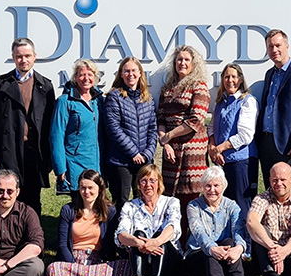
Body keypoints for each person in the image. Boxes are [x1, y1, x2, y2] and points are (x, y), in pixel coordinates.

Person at [0, 37, 55, 217]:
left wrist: (49, 155)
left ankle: (32, 230)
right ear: (13, 57)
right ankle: (7, 230)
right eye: (19, 56)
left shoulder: (45, 85)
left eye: (27, 56)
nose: (23, 60)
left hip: (34, 150)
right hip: (9, 148)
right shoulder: (2, 83)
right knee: (8, 192)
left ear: (34, 57)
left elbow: (50, 124)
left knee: (33, 195)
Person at [47, 170, 131, 276]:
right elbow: (62, 244)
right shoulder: (68, 210)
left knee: (126, 267)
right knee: (54, 268)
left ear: (100, 188)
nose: (86, 192)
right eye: (83, 188)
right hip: (73, 262)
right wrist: (74, 264)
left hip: (98, 263)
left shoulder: (110, 211)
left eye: (90, 188)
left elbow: (112, 243)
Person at [158, 45, 210, 249]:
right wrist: (165, 142)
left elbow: (196, 120)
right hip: (171, 152)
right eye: (179, 59)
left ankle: (192, 246)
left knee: (190, 199)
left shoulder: (199, 86)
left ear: (193, 63)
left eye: (187, 59)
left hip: (192, 152)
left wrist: (169, 136)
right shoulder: (167, 88)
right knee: (171, 200)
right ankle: (174, 245)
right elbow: (160, 117)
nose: (182, 63)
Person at [115, 164, 182, 276]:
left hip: (167, 259)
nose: (148, 185)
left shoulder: (171, 202)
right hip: (141, 260)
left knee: (160, 235)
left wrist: (155, 242)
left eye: (152, 180)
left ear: (159, 183)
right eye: (143, 181)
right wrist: (139, 243)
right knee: (138, 235)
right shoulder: (130, 206)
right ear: (139, 185)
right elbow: (120, 234)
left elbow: (174, 227)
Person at [256, 29, 291, 194]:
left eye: (278, 45)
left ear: (287, 46)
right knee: (271, 189)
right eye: (270, 47)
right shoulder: (270, 74)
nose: (274, 50)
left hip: (289, 144)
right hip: (267, 141)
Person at [208, 63, 258, 245]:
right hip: (222, 162)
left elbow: (245, 135)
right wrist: (213, 148)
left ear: (241, 79)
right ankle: (229, 243)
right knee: (225, 204)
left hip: (241, 162)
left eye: (234, 77)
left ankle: (247, 247)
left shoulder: (247, 101)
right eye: (226, 77)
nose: (230, 80)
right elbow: (211, 127)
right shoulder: (220, 102)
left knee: (242, 204)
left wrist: (220, 148)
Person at [185, 166, 248, 276]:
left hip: (226, 255)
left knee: (230, 242)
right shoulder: (193, 206)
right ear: (202, 187)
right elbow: (198, 232)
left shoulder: (232, 206)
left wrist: (239, 248)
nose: (212, 190)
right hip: (198, 254)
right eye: (208, 186)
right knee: (210, 252)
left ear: (223, 186)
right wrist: (212, 248)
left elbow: (238, 230)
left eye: (216, 186)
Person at [105, 57, 157, 213]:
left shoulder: (147, 99)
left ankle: (141, 228)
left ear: (140, 73)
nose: (130, 74)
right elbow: (113, 129)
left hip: (143, 161)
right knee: (121, 201)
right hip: (120, 161)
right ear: (121, 74)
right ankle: (119, 229)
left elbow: (152, 129)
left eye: (134, 70)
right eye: (126, 71)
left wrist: (147, 154)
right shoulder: (114, 97)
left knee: (144, 199)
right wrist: (133, 153)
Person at [50, 59, 104, 199]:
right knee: (78, 204)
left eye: (90, 74)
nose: (86, 78)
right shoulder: (64, 101)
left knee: (96, 204)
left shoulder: (99, 100)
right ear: (75, 77)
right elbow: (56, 136)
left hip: (96, 162)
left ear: (95, 77)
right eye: (82, 74)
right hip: (74, 163)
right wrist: (60, 167)